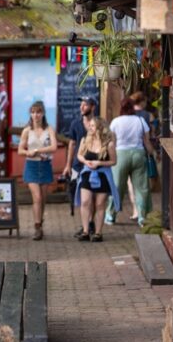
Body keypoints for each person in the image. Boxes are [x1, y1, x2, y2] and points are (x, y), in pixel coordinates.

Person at [106, 97, 157, 227]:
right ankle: (142, 217)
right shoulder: (140, 121)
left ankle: (111, 216)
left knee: (117, 187)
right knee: (141, 188)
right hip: (138, 154)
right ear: (133, 107)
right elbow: (146, 141)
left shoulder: (115, 122)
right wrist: (152, 153)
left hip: (120, 155)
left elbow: (112, 142)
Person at [18, 100, 60, 240]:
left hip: (45, 164)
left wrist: (37, 150)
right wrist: (28, 153)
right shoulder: (26, 131)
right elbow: (20, 150)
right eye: (33, 112)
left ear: (43, 114)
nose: (35, 115)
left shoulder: (49, 129)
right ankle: (37, 227)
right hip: (31, 166)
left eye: (38, 112)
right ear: (30, 114)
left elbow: (54, 147)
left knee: (43, 199)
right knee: (37, 197)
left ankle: (40, 222)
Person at [74, 116, 118, 242]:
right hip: (87, 173)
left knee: (99, 204)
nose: (90, 127)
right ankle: (85, 231)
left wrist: (99, 163)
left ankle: (98, 233)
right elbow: (79, 155)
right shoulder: (85, 140)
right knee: (85, 202)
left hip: (103, 175)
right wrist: (86, 162)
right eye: (90, 125)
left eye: (93, 126)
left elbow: (114, 161)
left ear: (100, 128)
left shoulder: (109, 144)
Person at [62, 96, 97, 234]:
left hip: (95, 164)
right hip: (78, 165)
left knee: (93, 197)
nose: (82, 107)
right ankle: (85, 225)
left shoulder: (98, 123)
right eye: (81, 105)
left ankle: (91, 222)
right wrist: (68, 165)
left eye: (85, 105)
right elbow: (72, 144)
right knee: (82, 198)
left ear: (93, 107)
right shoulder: (75, 124)